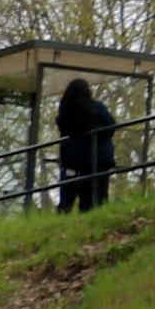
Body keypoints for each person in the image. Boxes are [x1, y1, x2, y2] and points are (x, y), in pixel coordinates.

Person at [54, 78, 115, 213]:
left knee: (71, 196)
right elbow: (111, 125)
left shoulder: (65, 113)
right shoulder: (97, 108)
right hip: (99, 159)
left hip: (73, 162)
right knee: (98, 197)